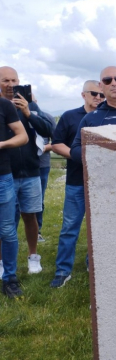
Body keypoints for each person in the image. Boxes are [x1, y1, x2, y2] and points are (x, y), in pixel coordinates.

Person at [49, 81, 104, 288]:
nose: (98, 97)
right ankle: (63, 270)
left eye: (101, 94)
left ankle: (94, 264)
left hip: (102, 183)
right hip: (76, 180)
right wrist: (77, 155)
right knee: (70, 227)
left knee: (98, 227)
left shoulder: (107, 117)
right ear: (83, 94)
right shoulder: (70, 116)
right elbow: (56, 143)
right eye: (94, 93)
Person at [0, 66, 53, 274]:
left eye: (14, 80)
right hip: (6, 172)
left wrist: (28, 113)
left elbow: (48, 131)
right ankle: (3, 261)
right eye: (6, 80)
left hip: (31, 171)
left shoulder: (29, 105)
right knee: (6, 221)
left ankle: (33, 256)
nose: (11, 85)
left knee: (30, 215)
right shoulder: (1, 107)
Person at [0, 98, 29, 298]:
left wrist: (2, 144)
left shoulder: (4, 105)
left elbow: (22, 136)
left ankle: (9, 278)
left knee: (7, 230)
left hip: (2, 177)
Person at [36, 111, 56, 242]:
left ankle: (37, 231)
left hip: (42, 164)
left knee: (39, 200)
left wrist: (43, 148)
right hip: (20, 165)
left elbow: (57, 141)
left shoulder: (46, 117)